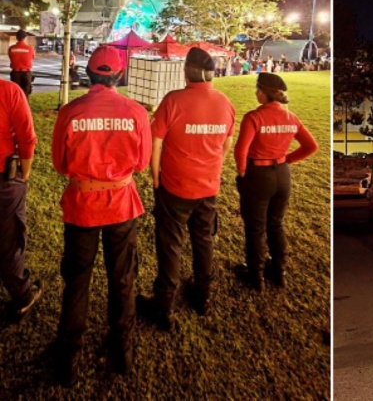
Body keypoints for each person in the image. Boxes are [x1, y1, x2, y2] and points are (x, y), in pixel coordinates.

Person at [51, 46, 152, 386]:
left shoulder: (71, 111)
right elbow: (141, 163)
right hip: (121, 204)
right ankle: (122, 350)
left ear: (88, 74)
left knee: (77, 280)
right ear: (118, 75)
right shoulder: (135, 112)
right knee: (122, 279)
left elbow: (60, 164)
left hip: (81, 204)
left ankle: (68, 356)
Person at [137, 48, 235, 330]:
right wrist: (214, 165)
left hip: (175, 187)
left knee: (170, 244)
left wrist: (155, 177)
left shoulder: (173, 101)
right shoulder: (225, 103)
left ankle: (163, 304)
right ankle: (202, 295)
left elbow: (155, 142)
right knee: (204, 239)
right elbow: (227, 142)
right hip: (208, 186)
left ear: (187, 72)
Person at [234, 73, 319, 291]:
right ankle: (279, 271)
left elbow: (241, 150)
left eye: (257, 89)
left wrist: (242, 171)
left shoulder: (254, 117)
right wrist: (287, 159)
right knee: (276, 223)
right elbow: (311, 146)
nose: (255, 93)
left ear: (262, 93)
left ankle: (256, 275)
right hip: (282, 175)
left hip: (259, 174)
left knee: (255, 227)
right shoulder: (291, 118)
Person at [0, 77, 42, 321]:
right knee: (10, 240)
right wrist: (24, 174)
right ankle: (22, 297)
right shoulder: (9, 92)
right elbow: (27, 138)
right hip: (5, 181)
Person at [8, 29, 35, 98]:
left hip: (15, 73)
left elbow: (11, 57)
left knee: (15, 94)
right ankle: (25, 107)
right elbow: (32, 57)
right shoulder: (30, 49)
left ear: (17, 38)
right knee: (26, 94)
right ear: (25, 38)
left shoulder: (11, 48)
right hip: (26, 73)